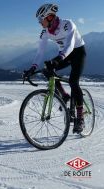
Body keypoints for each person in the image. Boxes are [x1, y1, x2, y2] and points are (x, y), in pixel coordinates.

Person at [24, 3, 86, 134]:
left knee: (73, 82)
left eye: (41, 19)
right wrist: (32, 68)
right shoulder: (45, 32)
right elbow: (40, 53)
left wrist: (59, 58)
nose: (40, 23)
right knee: (48, 70)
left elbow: (70, 45)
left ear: (50, 17)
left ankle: (80, 117)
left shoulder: (67, 24)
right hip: (64, 55)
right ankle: (64, 96)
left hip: (78, 53)